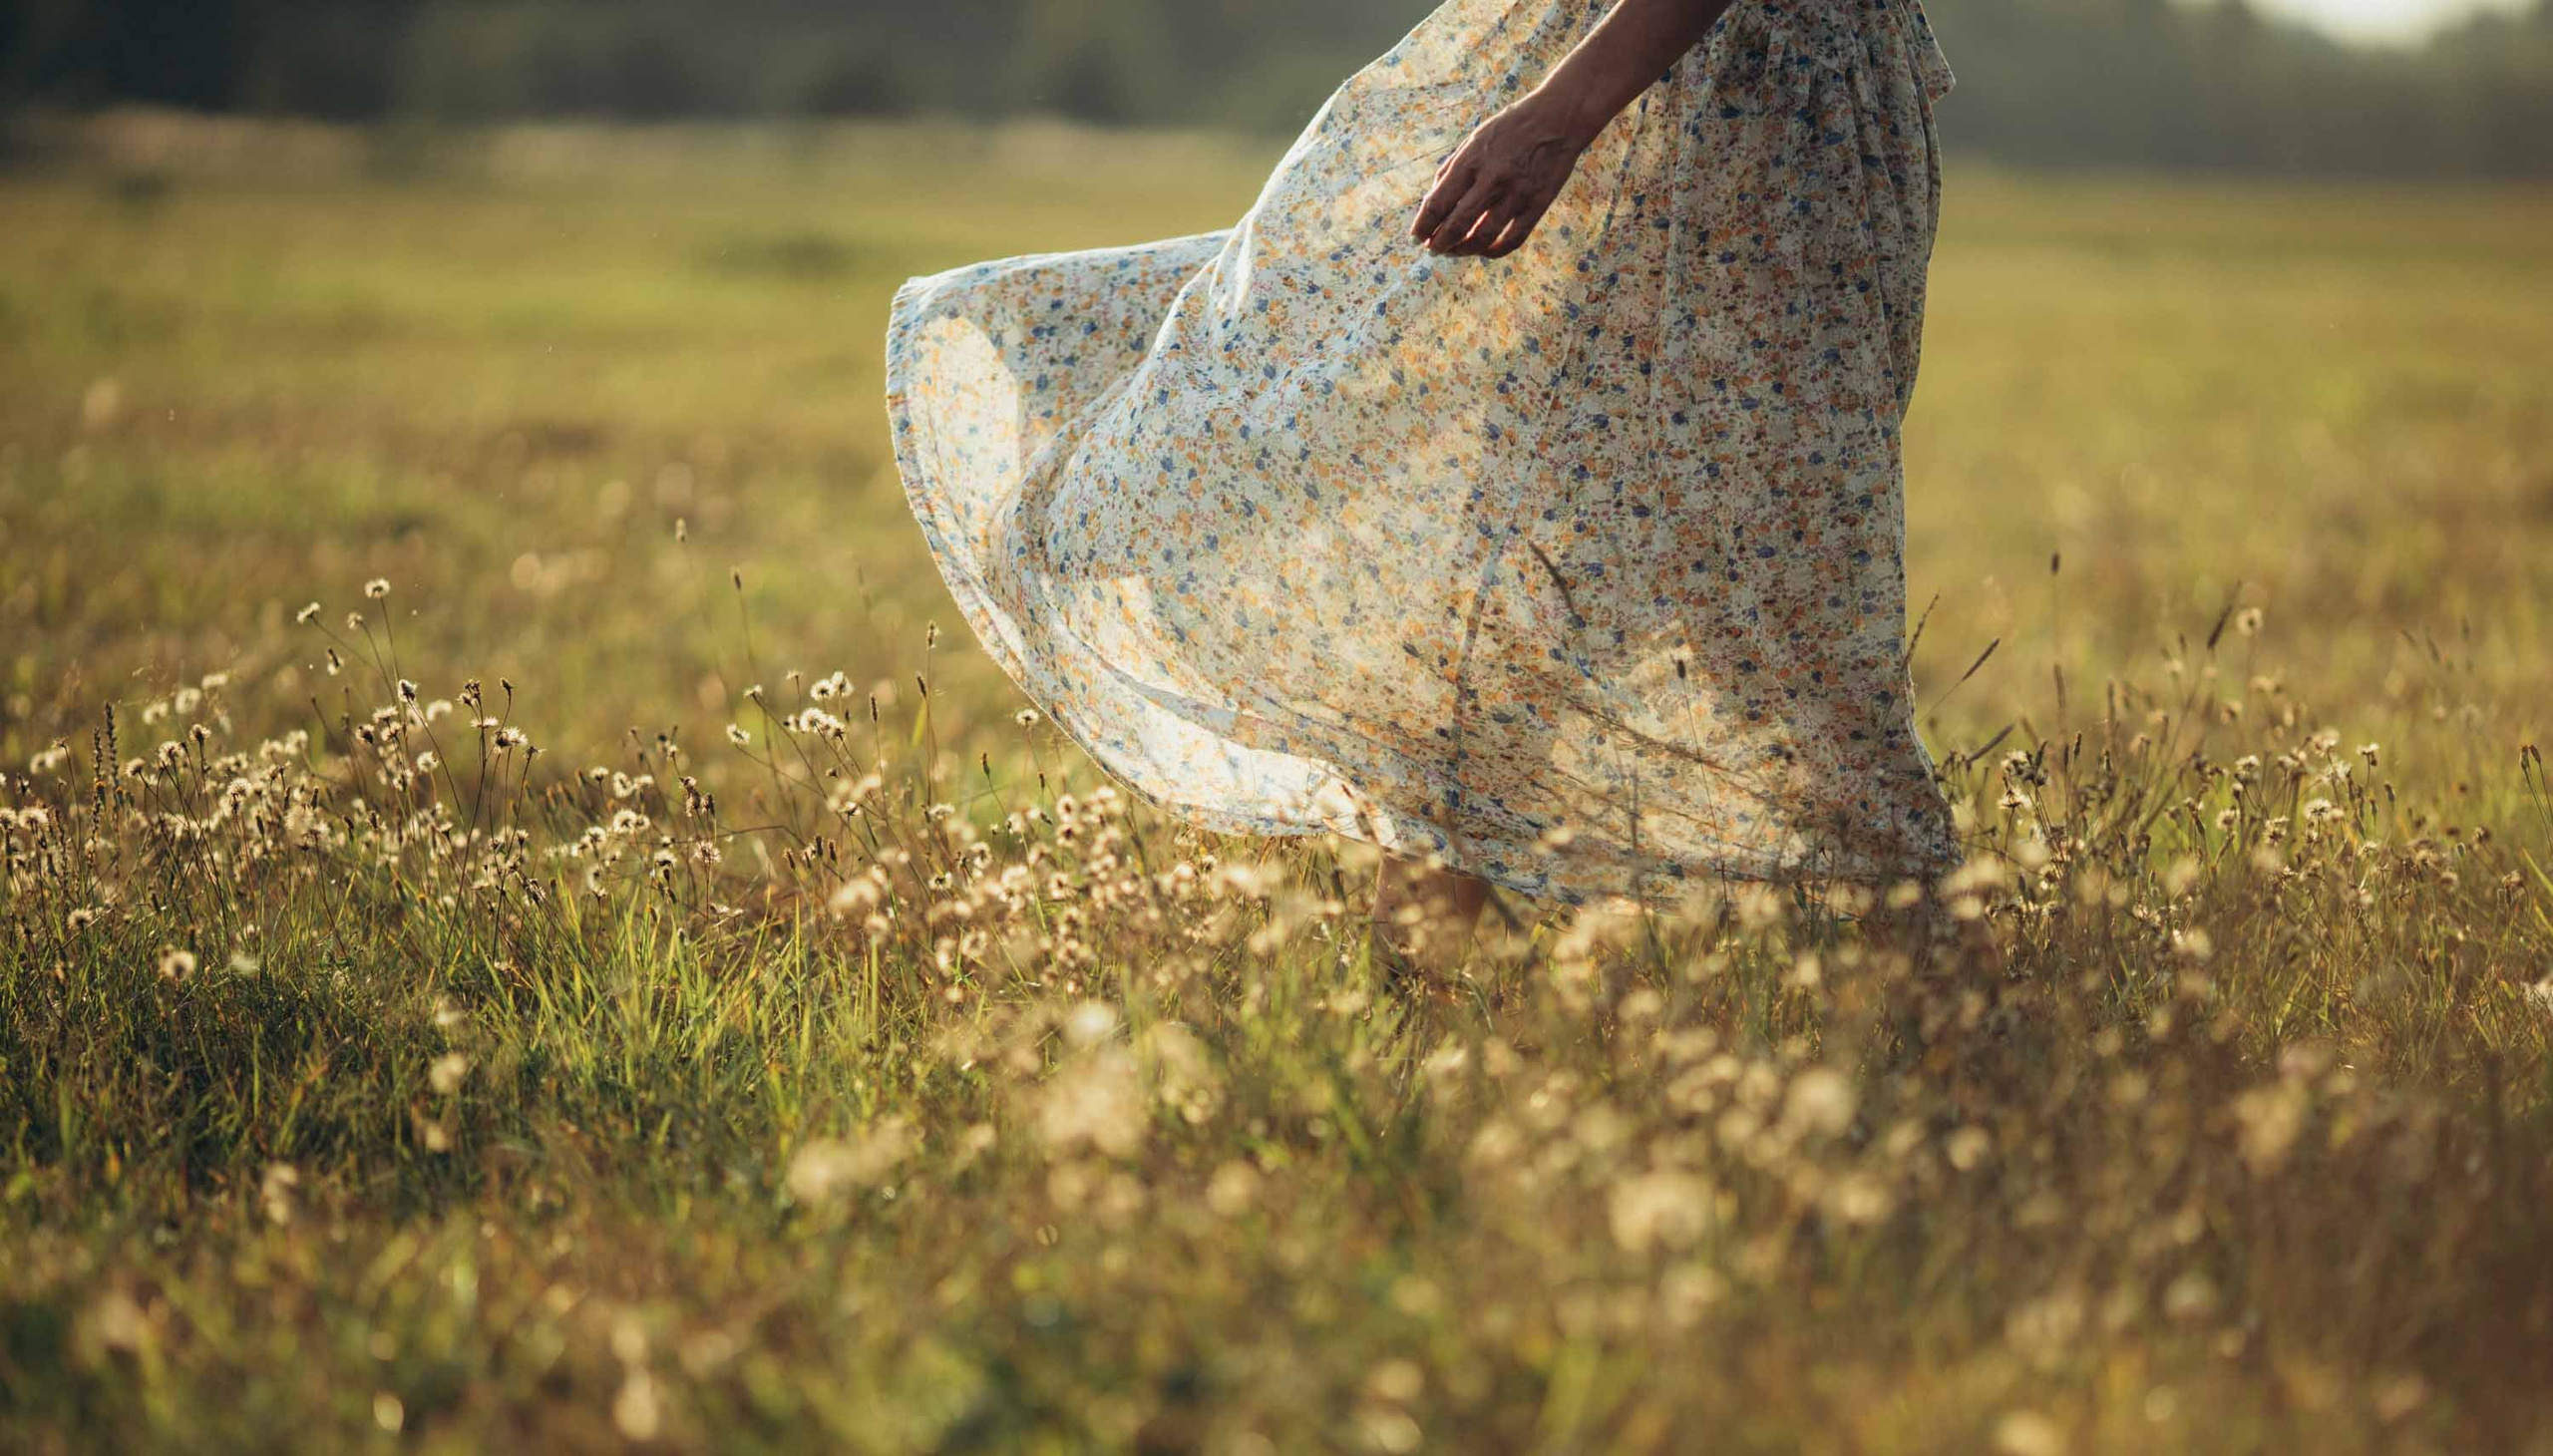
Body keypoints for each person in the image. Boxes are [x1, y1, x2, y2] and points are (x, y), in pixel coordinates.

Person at [886, 0, 1961, 969]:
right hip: (1610, 76)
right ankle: (1430, 967)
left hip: (1717, 105)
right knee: (1509, 546)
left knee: (1762, 583)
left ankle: (1942, 972)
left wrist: (1561, 112)